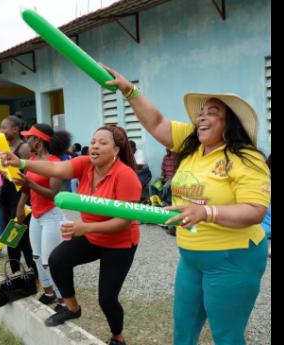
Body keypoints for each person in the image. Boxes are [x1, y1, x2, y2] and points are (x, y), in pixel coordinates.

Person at [103, 64, 271, 345]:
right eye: (200, 113)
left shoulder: (247, 158)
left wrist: (206, 212)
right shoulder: (192, 146)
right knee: (183, 334)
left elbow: (256, 211)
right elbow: (157, 123)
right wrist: (129, 91)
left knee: (227, 336)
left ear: (230, 122)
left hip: (232, 258)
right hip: (191, 257)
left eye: (212, 112)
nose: (202, 117)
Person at [2, 124, 141, 345]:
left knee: (107, 299)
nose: (94, 146)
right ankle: (72, 308)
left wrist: (85, 228)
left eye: (102, 143)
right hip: (91, 235)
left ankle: (117, 337)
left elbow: (124, 222)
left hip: (119, 242)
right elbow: (56, 169)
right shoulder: (85, 164)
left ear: (116, 150)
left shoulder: (126, 176)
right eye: (93, 141)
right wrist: (21, 162)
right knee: (57, 260)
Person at [13, 124, 71, 309]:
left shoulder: (54, 162)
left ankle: (63, 301)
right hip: (37, 216)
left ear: (37, 140)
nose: (26, 140)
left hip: (51, 217)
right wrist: (21, 205)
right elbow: (26, 188)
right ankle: (49, 293)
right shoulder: (32, 159)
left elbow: (54, 194)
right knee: (37, 257)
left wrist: (29, 182)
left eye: (29, 137)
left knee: (50, 261)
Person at [0, 105, 36, 274]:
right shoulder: (4, 145)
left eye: (5, 127)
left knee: (24, 238)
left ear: (16, 129)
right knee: (10, 236)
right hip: (8, 196)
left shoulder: (23, 148)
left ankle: (34, 275)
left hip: (21, 198)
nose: (1, 131)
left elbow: (28, 177)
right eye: (1, 127)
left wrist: (21, 205)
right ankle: (15, 272)